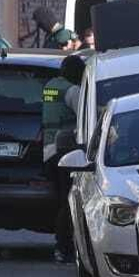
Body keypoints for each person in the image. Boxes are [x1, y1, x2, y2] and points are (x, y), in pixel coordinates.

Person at [42, 54, 85, 264]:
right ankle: (64, 247)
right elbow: (86, 117)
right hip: (65, 151)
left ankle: (63, 246)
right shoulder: (73, 90)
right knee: (68, 202)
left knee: (61, 200)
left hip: (48, 151)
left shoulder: (50, 86)